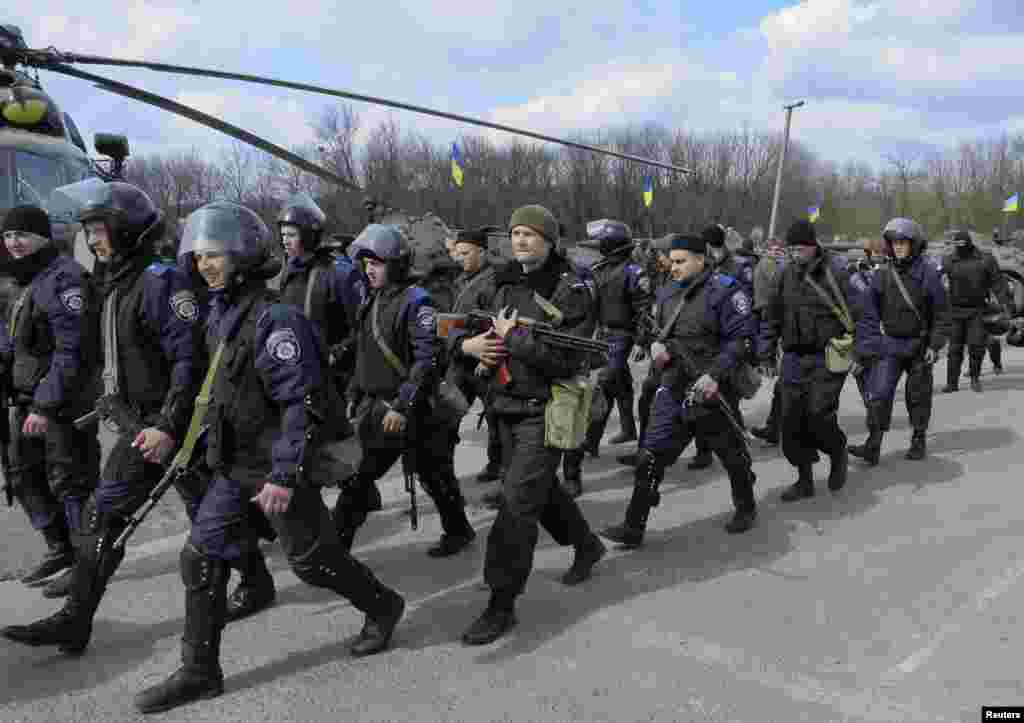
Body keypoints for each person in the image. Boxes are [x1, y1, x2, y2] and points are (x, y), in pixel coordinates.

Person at [134, 202, 404, 714]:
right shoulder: (219, 313)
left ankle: (383, 605)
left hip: (274, 468)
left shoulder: (276, 320)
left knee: (314, 563)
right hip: (233, 467)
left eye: (217, 255)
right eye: (201, 256)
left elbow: (298, 403)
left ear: (245, 256)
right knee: (199, 557)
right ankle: (199, 671)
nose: (206, 265)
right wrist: (170, 430)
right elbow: (206, 388)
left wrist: (283, 475)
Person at [2, 179, 202, 654]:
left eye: (100, 231)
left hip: (170, 424)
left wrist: (168, 424)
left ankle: (274, 577)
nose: (93, 242)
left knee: (222, 513)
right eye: (89, 232)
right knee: (104, 514)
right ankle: (76, 620)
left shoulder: (160, 281)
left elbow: (189, 360)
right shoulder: (115, 284)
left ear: (128, 230)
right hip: (141, 424)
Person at [453, 205, 605, 645]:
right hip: (503, 405)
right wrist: (470, 345)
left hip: (545, 407)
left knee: (517, 505)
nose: (521, 240)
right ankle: (587, 544)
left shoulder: (572, 287)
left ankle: (501, 601)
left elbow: (569, 359)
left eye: (531, 234)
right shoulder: (499, 279)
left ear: (551, 241)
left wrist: (515, 339)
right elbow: (458, 325)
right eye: (516, 232)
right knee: (540, 491)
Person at [602, 233, 758, 546]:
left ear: (701, 259)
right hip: (672, 387)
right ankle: (634, 526)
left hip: (710, 391)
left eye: (680, 261)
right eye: (671, 261)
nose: (672, 267)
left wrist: (714, 375)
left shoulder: (726, 291)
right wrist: (654, 346)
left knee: (732, 456)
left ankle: (746, 506)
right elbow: (655, 331)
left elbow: (741, 341)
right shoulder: (666, 291)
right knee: (650, 457)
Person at [336, 224, 476, 557]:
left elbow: (425, 361)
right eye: (366, 262)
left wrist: (402, 405)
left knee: (427, 475)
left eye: (378, 262)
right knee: (368, 477)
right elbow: (365, 351)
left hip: (408, 410)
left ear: (396, 263)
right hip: (377, 406)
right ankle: (336, 550)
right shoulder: (373, 299)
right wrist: (354, 394)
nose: (370, 269)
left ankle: (333, 552)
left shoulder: (418, 301)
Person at [0, 206, 99, 598]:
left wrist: (44, 406)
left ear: (43, 236)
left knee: (69, 481)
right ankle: (59, 548)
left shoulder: (66, 278)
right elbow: (14, 339)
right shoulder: (23, 280)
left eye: (21, 235)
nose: (13, 243)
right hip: (25, 398)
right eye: (8, 237)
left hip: (62, 402)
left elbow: (71, 351)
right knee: (23, 475)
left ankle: (83, 563)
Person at [757, 219, 853, 501]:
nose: (795, 254)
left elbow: (862, 313)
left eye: (800, 248)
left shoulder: (836, 272)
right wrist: (765, 353)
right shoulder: (784, 275)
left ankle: (837, 452)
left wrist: (863, 352)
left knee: (819, 417)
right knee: (791, 422)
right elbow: (771, 317)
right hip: (794, 359)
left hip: (828, 356)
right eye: (791, 249)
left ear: (813, 246)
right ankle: (804, 479)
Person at [850, 218, 947, 464]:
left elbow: (942, 314)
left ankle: (918, 438)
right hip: (889, 344)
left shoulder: (928, 274)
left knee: (918, 396)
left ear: (914, 245)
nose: (899, 248)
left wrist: (934, 345)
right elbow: (868, 314)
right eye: (894, 243)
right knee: (879, 395)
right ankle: (873, 444)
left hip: (919, 346)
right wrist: (865, 351)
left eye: (903, 243)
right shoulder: (882, 275)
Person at [688, 224, 755, 469]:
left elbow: (746, 306)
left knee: (728, 400)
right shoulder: (697, 265)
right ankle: (703, 451)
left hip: (728, 343)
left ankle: (739, 453)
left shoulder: (740, 267)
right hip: (701, 342)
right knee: (697, 398)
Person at [447, 226, 503, 483]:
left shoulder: (493, 282)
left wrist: (487, 358)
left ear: (481, 252)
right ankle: (442, 470)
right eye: (457, 253)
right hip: (460, 359)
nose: (459, 258)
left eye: (465, 253)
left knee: (496, 416)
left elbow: (499, 323)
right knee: (448, 412)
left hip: (484, 360)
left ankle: (498, 465)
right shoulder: (460, 281)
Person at [942, 230, 1012, 392]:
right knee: (954, 348)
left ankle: (975, 378)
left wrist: (1006, 306)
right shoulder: (948, 260)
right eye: (956, 245)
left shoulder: (985, 259)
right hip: (955, 310)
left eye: (962, 245)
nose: (959, 248)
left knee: (976, 346)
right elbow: (934, 281)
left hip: (977, 309)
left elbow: (998, 284)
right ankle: (952, 383)